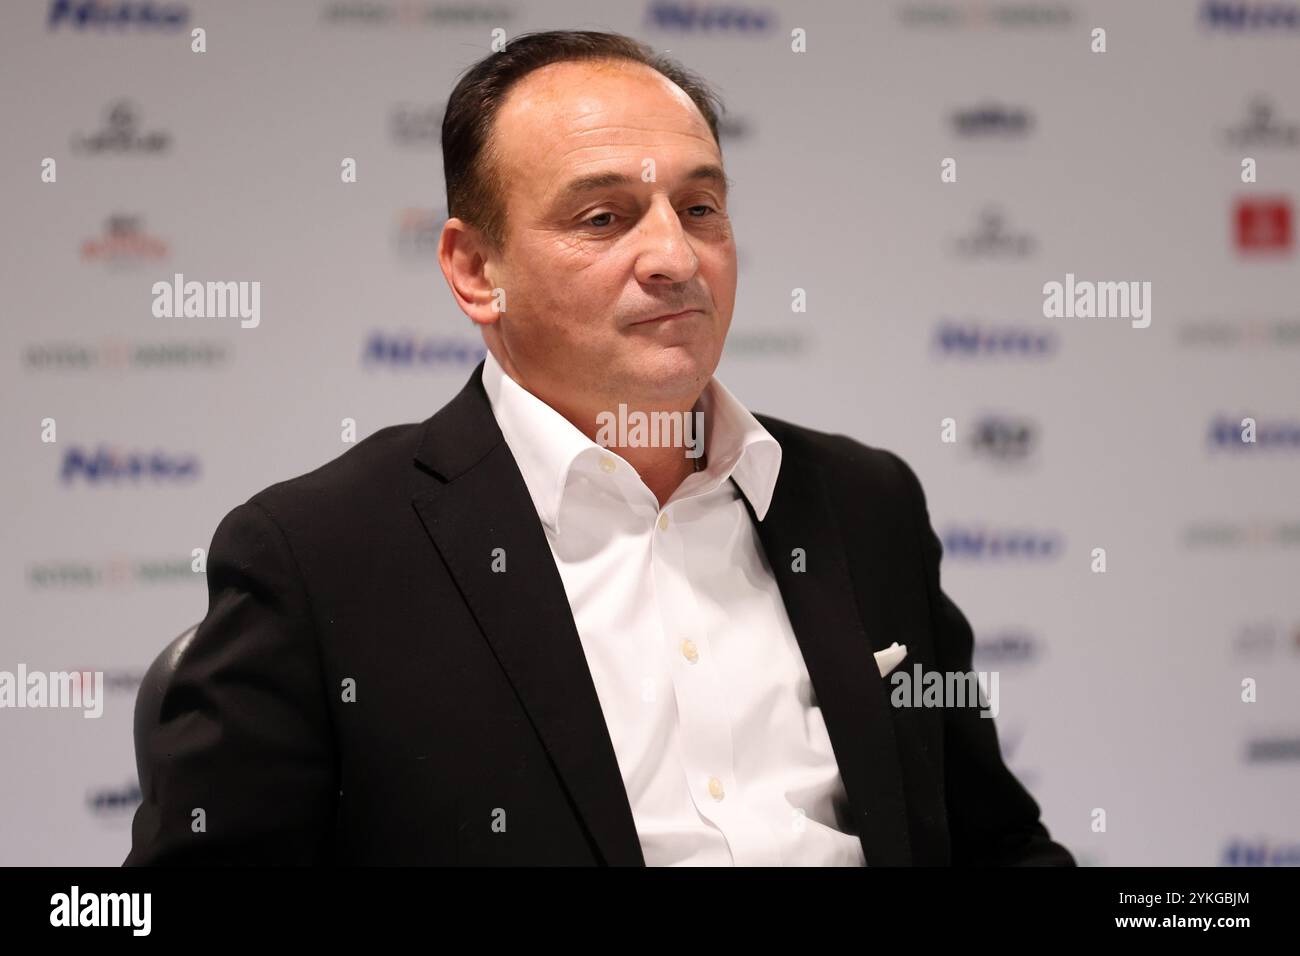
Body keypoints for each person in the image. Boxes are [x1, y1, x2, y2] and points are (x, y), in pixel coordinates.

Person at [126, 30, 1073, 866]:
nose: (676, 258)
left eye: (701, 209)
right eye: (603, 218)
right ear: (474, 268)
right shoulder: (320, 555)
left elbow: (993, 843)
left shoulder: (864, 503)